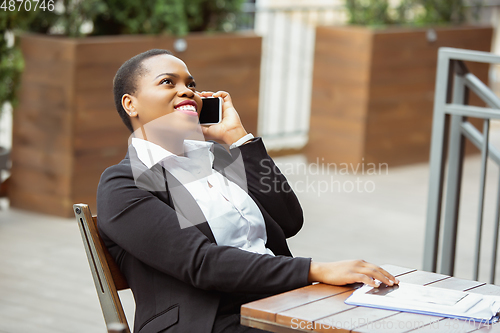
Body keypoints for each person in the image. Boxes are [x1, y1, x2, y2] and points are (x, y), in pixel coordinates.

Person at [96, 49, 398, 333]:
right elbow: (202, 263)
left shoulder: (217, 159)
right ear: (130, 104)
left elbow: (289, 220)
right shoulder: (126, 183)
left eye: (191, 84)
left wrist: (238, 139)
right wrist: (314, 270)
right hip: (209, 320)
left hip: (277, 304)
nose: (187, 90)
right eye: (167, 82)